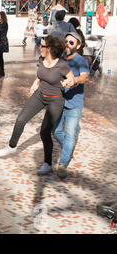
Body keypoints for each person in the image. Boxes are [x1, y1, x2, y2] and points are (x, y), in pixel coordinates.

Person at [0, 35, 75, 176]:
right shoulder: (41, 60)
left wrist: (68, 82)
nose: (40, 47)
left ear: (49, 49)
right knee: (21, 119)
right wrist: (35, 83)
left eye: (42, 45)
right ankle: (11, 146)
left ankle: (47, 164)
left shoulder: (61, 65)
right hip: (40, 95)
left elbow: (72, 79)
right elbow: (40, 75)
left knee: (45, 132)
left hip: (55, 100)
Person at [54, 32, 89, 179]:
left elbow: (84, 77)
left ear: (78, 46)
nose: (67, 44)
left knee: (70, 133)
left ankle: (63, 163)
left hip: (74, 103)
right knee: (55, 131)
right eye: (66, 41)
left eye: (71, 42)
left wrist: (74, 80)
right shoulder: (60, 58)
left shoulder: (81, 61)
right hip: (59, 100)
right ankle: (68, 150)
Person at [0, 11, 9, 78]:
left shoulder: (4, 23)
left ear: (2, 16)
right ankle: (1, 70)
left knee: (0, 56)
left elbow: (0, 31)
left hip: (2, 41)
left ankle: (2, 70)